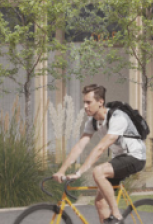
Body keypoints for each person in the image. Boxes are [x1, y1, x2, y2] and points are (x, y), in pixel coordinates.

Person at [53, 84, 145, 224]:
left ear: (100, 102)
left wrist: (79, 173)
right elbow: (79, 146)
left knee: (98, 171)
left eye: (89, 102)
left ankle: (117, 216)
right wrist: (62, 170)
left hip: (135, 157)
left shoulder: (118, 117)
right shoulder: (93, 122)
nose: (85, 106)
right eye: (84, 102)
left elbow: (101, 148)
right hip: (119, 159)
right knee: (100, 203)